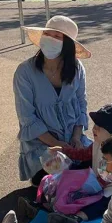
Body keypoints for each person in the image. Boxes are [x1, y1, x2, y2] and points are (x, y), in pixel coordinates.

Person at [19, 102, 112, 223]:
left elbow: (106, 179)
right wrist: (63, 150)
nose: (94, 129)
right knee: (62, 180)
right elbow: (83, 154)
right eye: (95, 125)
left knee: (101, 204)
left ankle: (77, 218)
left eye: (99, 127)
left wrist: (84, 187)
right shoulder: (98, 143)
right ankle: (43, 207)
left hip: (107, 189)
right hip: (94, 181)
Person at [13, 15, 92, 184]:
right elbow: (27, 118)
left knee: (103, 166)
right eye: (47, 34)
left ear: (67, 44)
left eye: (57, 37)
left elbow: (81, 103)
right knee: (65, 177)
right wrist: (57, 144)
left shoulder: (77, 68)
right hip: (42, 147)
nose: (50, 39)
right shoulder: (25, 72)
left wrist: (77, 137)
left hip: (74, 141)